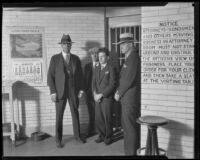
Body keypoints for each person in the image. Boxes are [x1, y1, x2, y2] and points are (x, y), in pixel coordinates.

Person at [47, 34, 86, 148]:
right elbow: (50, 77)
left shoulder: (76, 58)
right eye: (64, 44)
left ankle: (77, 137)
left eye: (69, 44)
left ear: (71, 46)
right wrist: (53, 92)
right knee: (59, 115)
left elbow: (81, 76)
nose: (67, 46)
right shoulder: (55, 58)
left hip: (73, 90)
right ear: (61, 46)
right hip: (60, 91)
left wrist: (82, 90)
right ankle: (58, 140)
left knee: (75, 113)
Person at [114, 33, 140, 155]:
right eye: (120, 45)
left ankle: (130, 153)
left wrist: (119, 92)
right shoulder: (130, 58)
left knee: (129, 126)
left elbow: (128, 79)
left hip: (129, 98)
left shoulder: (133, 57)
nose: (121, 47)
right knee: (128, 125)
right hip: (127, 97)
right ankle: (130, 151)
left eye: (123, 44)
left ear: (130, 44)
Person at [92, 47, 116, 145]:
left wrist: (101, 95)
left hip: (106, 98)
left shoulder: (111, 68)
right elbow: (93, 83)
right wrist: (94, 94)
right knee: (99, 118)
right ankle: (101, 135)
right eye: (99, 56)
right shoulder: (97, 68)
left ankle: (109, 137)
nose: (100, 58)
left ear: (108, 57)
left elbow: (112, 84)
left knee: (107, 118)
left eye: (102, 56)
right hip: (97, 98)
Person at [84, 47, 99, 137]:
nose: (94, 56)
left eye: (96, 54)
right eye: (92, 54)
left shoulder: (102, 65)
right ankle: (91, 131)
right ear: (90, 55)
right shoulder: (87, 66)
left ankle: (101, 131)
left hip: (99, 94)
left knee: (99, 113)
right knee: (91, 113)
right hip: (89, 94)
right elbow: (85, 80)